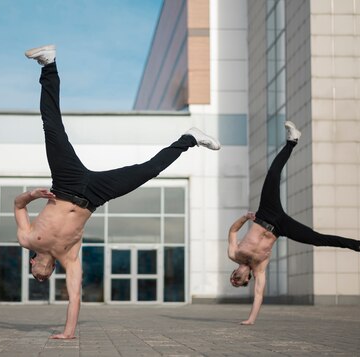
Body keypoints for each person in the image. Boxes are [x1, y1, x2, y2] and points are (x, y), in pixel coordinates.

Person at [14, 45, 221, 339]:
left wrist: (31, 196)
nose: (40, 277)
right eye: (42, 280)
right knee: (147, 170)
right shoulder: (68, 258)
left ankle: (49, 65)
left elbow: (17, 206)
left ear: (34, 262)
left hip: (65, 183)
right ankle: (189, 138)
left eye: (36, 274)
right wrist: (69, 333)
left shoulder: (27, 238)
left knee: (52, 127)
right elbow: (75, 296)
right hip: (94, 196)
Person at [227, 120, 360, 325]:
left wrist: (244, 218)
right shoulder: (259, 268)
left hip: (265, 214)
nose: (236, 280)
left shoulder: (234, 254)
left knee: (272, 174)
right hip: (280, 227)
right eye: (239, 283)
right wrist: (251, 320)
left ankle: (292, 141)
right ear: (247, 280)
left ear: (234, 273)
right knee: (317, 239)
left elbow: (232, 231)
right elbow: (259, 295)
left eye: (234, 279)